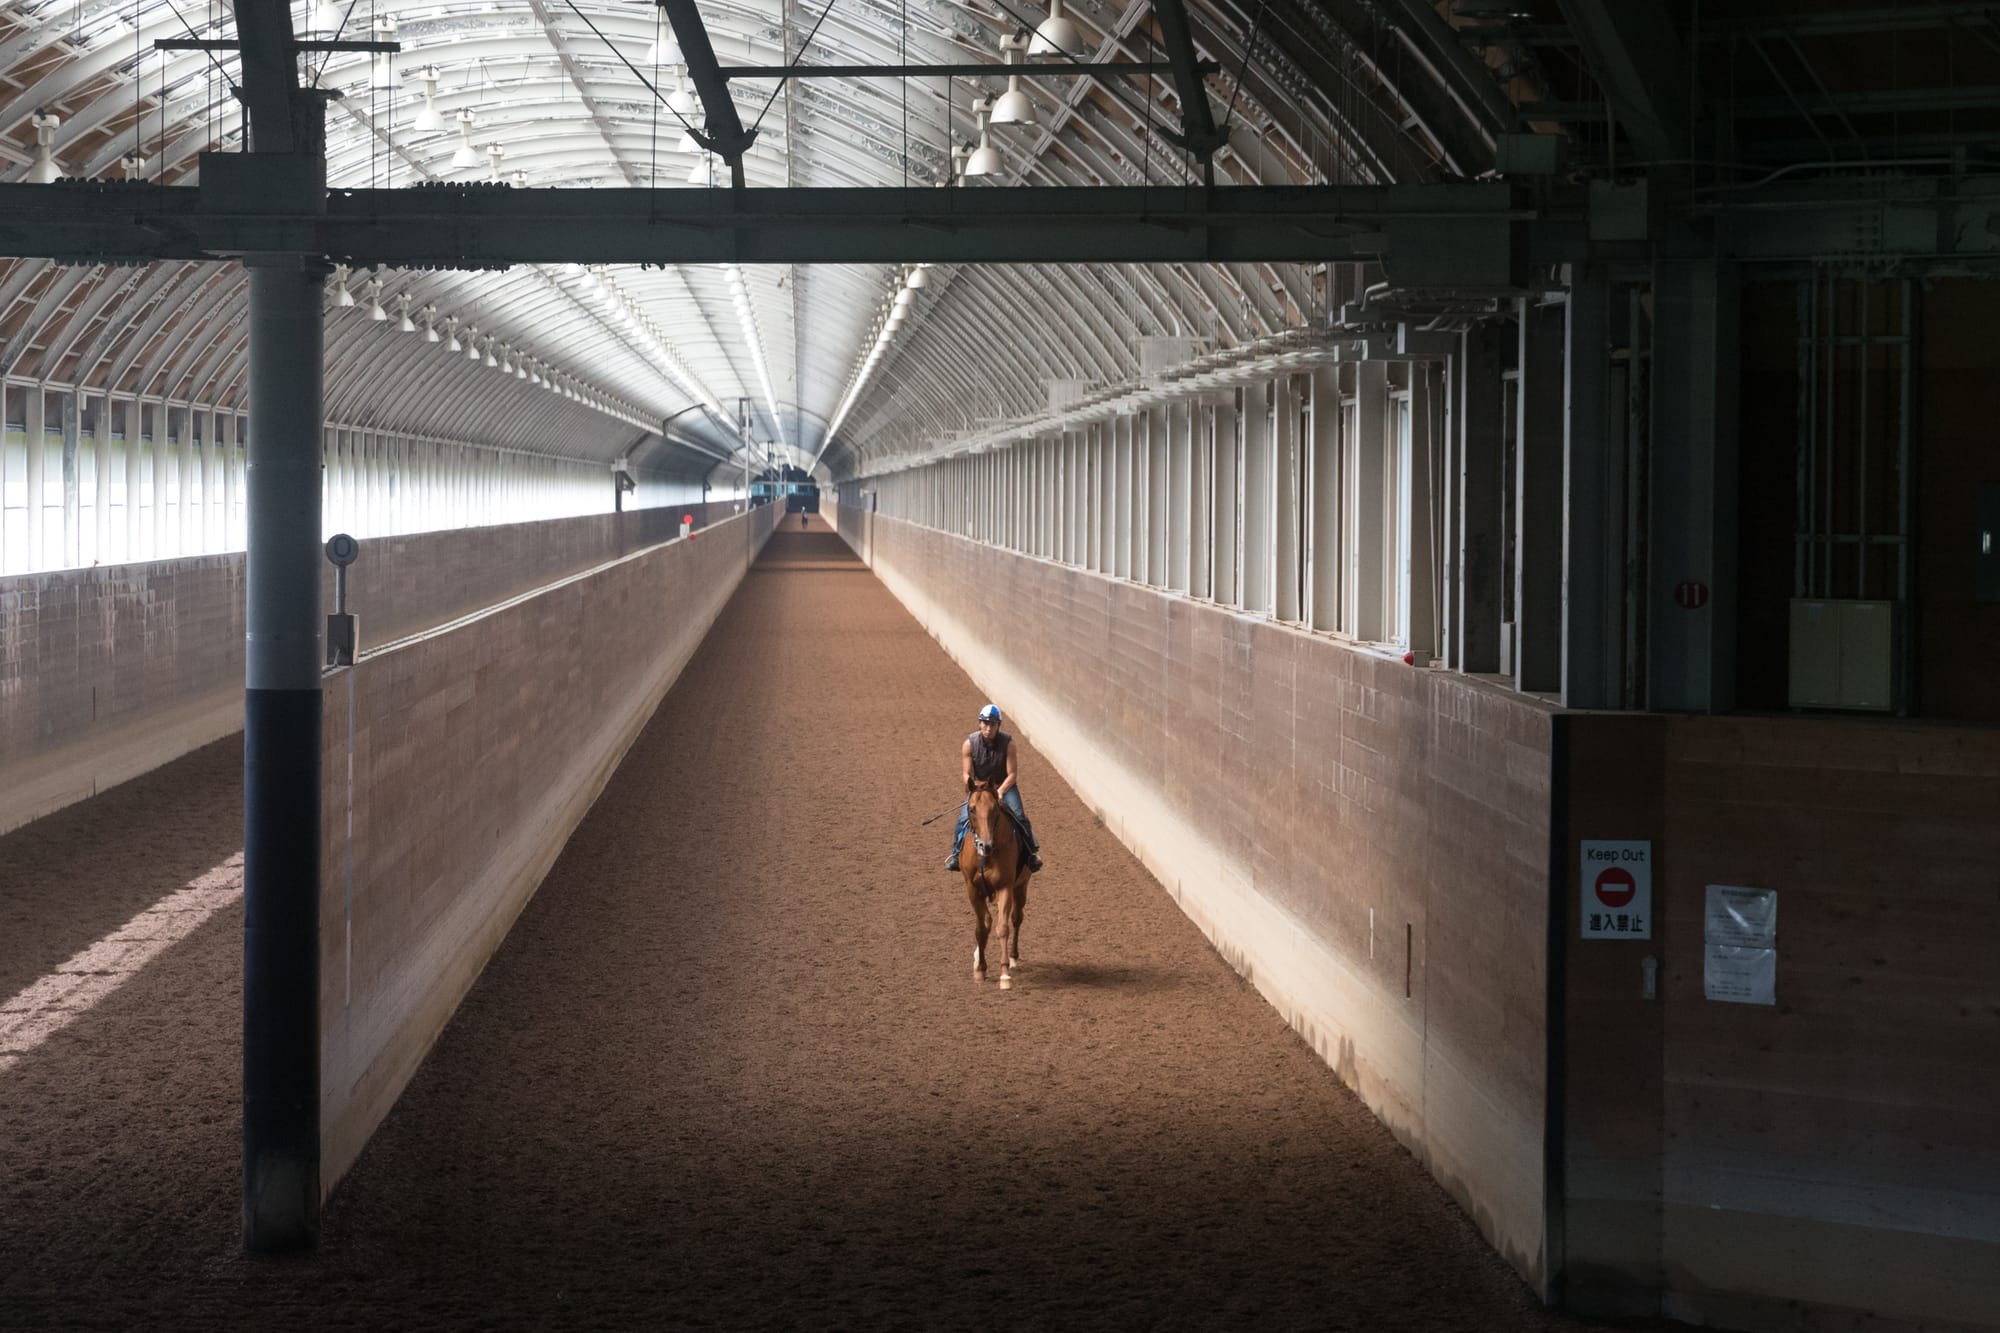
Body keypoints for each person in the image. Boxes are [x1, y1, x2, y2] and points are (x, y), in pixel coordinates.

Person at [946, 703, 1043, 873]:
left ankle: (1031, 854)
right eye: (985, 723)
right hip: (978, 788)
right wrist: (974, 788)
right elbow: (966, 774)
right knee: (962, 819)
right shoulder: (969, 744)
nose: (988, 728)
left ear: (999, 725)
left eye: (993, 724)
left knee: (1019, 815)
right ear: (979, 723)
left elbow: (1012, 774)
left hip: (1003, 785)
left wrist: (1000, 791)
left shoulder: (1009, 744)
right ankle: (955, 855)